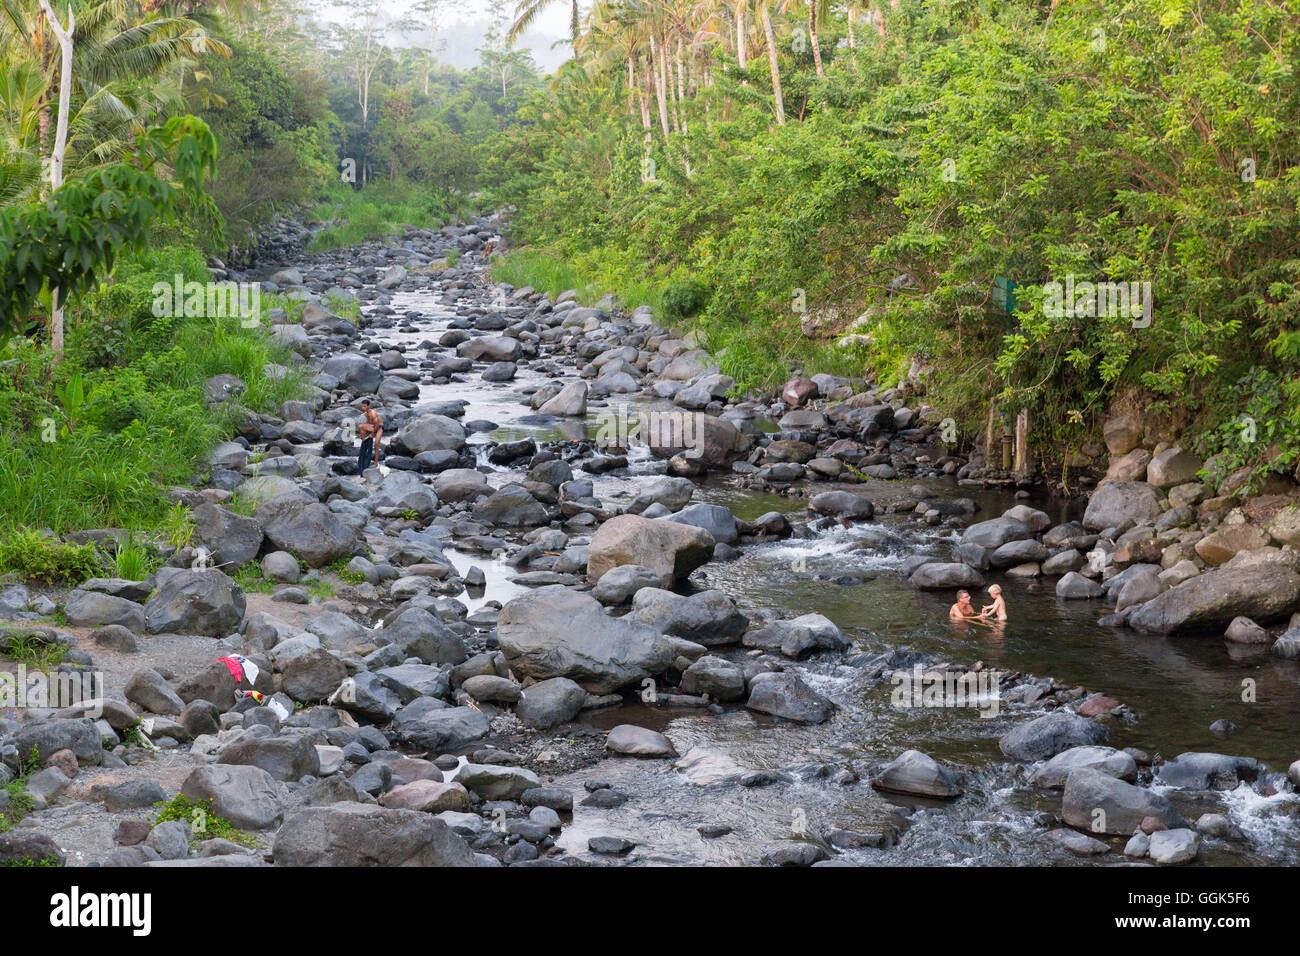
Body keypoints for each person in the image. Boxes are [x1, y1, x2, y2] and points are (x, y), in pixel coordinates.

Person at [357, 399, 383, 475]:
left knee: (376, 445)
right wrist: (365, 433)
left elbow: (377, 425)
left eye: (365, 406)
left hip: (380, 428)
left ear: (368, 406)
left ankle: (375, 463)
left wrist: (372, 434)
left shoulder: (373, 413)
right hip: (374, 427)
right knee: (361, 426)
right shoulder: (366, 413)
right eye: (362, 406)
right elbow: (368, 423)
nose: (363, 408)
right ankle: (363, 439)